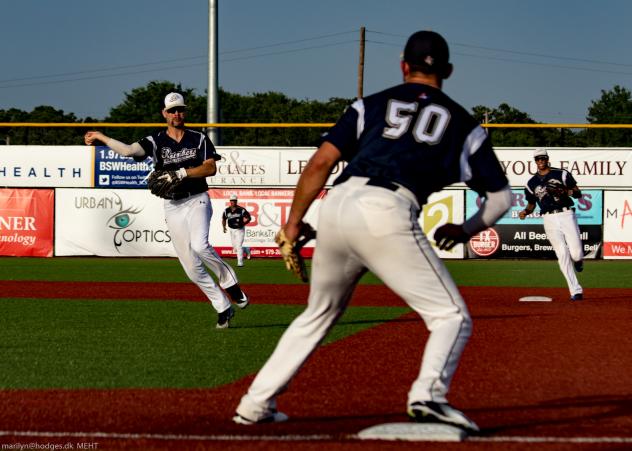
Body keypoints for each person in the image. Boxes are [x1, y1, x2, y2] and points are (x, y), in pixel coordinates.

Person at [233, 30, 511, 431]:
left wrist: (292, 226)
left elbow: (319, 166)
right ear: (448, 71)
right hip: (389, 210)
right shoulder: (465, 125)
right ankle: (428, 396)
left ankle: (254, 405)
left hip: (339, 203)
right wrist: (466, 230)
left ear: (403, 66)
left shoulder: (370, 105)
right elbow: (501, 199)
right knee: (451, 316)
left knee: (318, 313)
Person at [84, 92, 249, 329]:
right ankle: (222, 306)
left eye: (180, 109)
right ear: (164, 114)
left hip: (197, 199)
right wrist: (101, 136)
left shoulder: (198, 139)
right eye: (171, 110)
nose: (176, 114)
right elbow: (129, 151)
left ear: (185, 112)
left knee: (200, 245)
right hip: (173, 205)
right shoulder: (156, 141)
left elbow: (210, 168)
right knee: (191, 267)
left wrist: (181, 173)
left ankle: (231, 284)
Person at [519, 148, 584, 301]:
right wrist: (525, 212)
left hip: (566, 214)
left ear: (547, 159)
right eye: (537, 159)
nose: (540, 161)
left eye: (543, 158)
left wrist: (565, 191)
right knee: (561, 254)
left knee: (575, 254)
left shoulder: (561, 174)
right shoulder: (531, 183)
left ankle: (579, 260)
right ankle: (575, 290)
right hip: (548, 218)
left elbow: (578, 193)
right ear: (534, 161)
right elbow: (531, 204)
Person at [222, 193, 252, 267]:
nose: (233, 202)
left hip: (240, 229)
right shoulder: (227, 210)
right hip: (231, 229)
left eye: (235, 201)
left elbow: (249, 218)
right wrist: (224, 227)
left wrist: (243, 224)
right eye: (232, 201)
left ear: (236, 201)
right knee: (235, 248)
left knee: (238, 246)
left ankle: (240, 263)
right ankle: (246, 249)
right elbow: (224, 219)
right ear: (230, 201)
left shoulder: (241, 210)